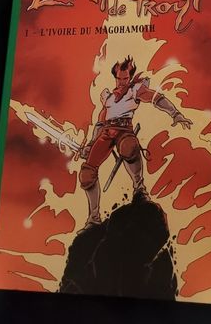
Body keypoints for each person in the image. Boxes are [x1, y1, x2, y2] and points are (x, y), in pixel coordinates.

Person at [78, 56, 191, 231]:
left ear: (129, 77)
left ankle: (139, 190)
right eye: (119, 78)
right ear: (115, 77)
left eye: (125, 78)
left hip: (124, 130)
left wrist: (175, 114)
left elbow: (157, 98)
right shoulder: (108, 98)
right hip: (106, 133)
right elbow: (100, 123)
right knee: (86, 174)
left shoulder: (135, 90)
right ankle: (93, 218)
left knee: (129, 147)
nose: (122, 82)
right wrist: (90, 144)